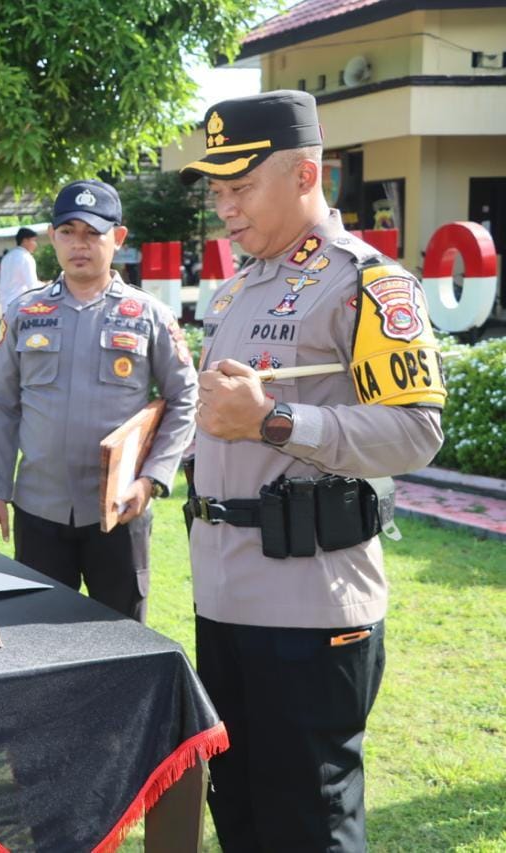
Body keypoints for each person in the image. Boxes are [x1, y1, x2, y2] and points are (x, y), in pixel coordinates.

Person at [179, 90, 445, 850]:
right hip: (224, 597)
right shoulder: (239, 287)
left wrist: (274, 420)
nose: (225, 208)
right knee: (240, 813)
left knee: (309, 824)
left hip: (310, 605)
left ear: (305, 175)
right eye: (217, 191)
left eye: (240, 187)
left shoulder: (364, 282)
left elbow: (416, 431)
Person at [0, 180, 197, 622]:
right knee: (38, 635)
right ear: (53, 237)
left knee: (121, 637)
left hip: (119, 510)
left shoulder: (148, 314)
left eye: (93, 233)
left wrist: (151, 479)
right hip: (39, 509)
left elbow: (184, 398)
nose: (79, 244)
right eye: (68, 232)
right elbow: (2, 405)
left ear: (118, 238)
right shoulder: (25, 312)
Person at [0, 227, 42, 315]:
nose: (35, 244)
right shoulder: (26, 258)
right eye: (33, 240)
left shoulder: (7, 257)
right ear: (25, 241)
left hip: (5, 308)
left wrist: (43, 283)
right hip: (21, 308)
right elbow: (33, 286)